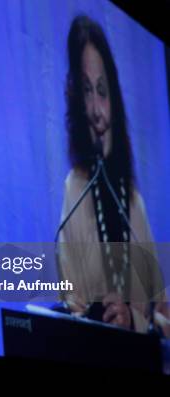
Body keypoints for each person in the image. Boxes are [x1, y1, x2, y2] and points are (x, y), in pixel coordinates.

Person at [58, 15, 169, 336]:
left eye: (102, 91)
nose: (96, 109)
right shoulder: (74, 189)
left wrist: (135, 320)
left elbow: (161, 315)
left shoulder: (132, 199)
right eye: (87, 91)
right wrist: (100, 316)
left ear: (116, 98)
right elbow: (72, 305)